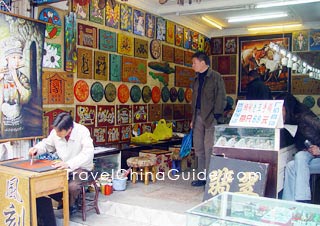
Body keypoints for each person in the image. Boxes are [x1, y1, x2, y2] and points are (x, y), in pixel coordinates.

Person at [29, 112, 94, 225]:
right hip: (64, 166)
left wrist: (69, 164)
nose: (57, 134)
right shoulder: (56, 132)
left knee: (72, 186)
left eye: (60, 132)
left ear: (69, 129)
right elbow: (46, 144)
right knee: (48, 184)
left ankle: (71, 204)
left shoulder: (82, 131)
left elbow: (88, 153)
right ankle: (66, 201)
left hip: (81, 167)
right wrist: (36, 149)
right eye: (56, 131)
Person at [190, 51, 227, 187]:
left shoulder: (215, 77)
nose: (192, 65)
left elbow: (221, 97)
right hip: (198, 115)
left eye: (194, 62)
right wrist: (192, 118)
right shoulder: (195, 79)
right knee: (198, 147)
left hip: (211, 117)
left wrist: (216, 116)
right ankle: (201, 177)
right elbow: (194, 100)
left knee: (209, 148)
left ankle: (211, 179)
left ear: (202, 62)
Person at [276, 93, 320, 202]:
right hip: (310, 155)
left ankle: (302, 200)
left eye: (280, 108)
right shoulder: (291, 121)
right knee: (291, 165)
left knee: (297, 159)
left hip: (317, 154)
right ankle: (289, 205)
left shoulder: (305, 118)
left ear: (287, 107)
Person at [0, 37, 31, 139]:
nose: (17, 61)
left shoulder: (22, 77)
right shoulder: (1, 75)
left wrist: (16, 79)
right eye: (13, 57)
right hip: (2, 120)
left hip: (18, 121)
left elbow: (26, 98)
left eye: (19, 58)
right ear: (7, 59)